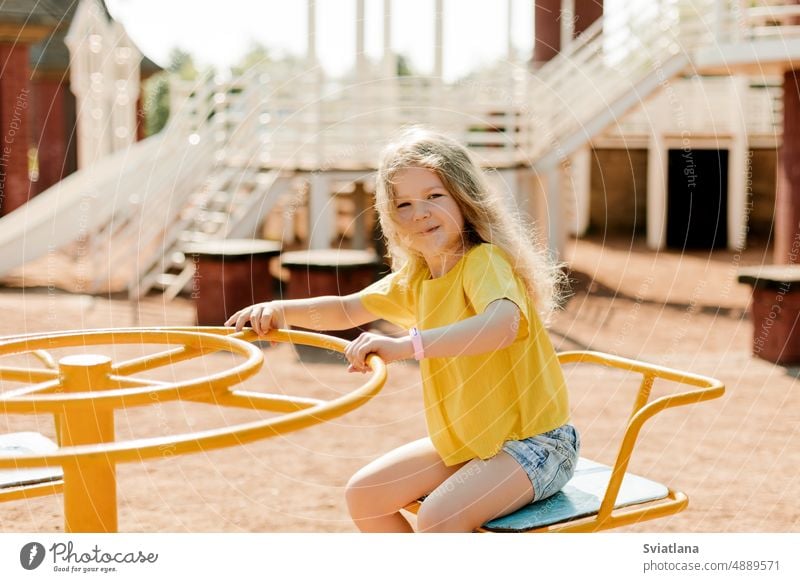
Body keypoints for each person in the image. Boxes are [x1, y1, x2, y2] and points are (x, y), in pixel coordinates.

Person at [225, 128, 579, 532]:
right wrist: (278, 309)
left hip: (535, 445)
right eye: (404, 204)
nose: (420, 213)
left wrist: (407, 345)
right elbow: (345, 308)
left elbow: (501, 325)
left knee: (438, 517)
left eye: (434, 196)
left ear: (464, 197)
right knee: (366, 496)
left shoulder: (484, 261)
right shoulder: (417, 278)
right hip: (473, 443)